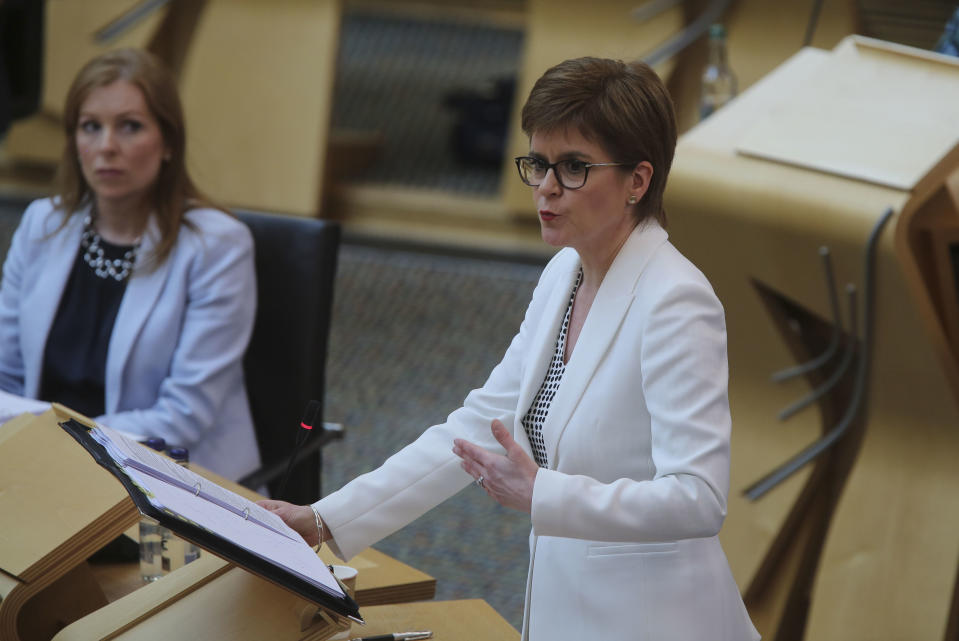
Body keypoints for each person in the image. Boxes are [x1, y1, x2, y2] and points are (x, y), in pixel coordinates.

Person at [261, 57, 759, 640]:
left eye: (573, 167)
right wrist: (323, 519)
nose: (546, 187)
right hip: (565, 611)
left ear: (637, 181)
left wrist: (544, 493)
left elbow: (698, 499)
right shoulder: (562, 275)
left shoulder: (675, 302)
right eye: (539, 164)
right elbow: (476, 428)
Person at [0, 48, 260, 481]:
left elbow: (182, 417)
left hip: (165, 481)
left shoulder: (217, 246)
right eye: (90, 127)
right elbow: (5, 372)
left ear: (169, 144)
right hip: (40, 464)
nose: (106, 147)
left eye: (130, 127)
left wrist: (53, 441)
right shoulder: (42, 223)